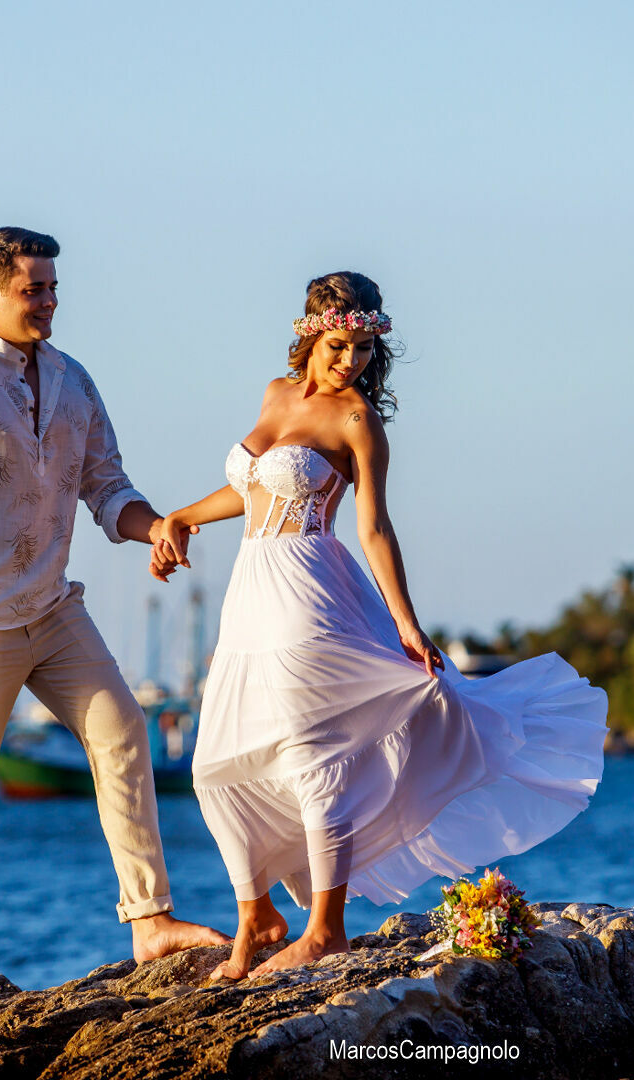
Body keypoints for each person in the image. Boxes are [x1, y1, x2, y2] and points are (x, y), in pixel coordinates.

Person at [148, 271, 607, 979]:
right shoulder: (276, 393)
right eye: (339, 345)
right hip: (250, 596)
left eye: (363, 349)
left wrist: (406, 623)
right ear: (309, 334)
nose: (350, 362)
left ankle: (324, 929)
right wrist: (181, 517)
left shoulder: (358, 419)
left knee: (313, 756)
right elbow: (253, 487)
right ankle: (256, 915)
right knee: (217, 764)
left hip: (311, 592)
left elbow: (375, 527)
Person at [0, 226, 228, 1009]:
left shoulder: (72, 379)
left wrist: (155, 527)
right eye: (34, 289)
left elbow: (107, 488)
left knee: (124, 730)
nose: (49, 302)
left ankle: (149, 921)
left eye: (54, 288)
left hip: (52, 608)